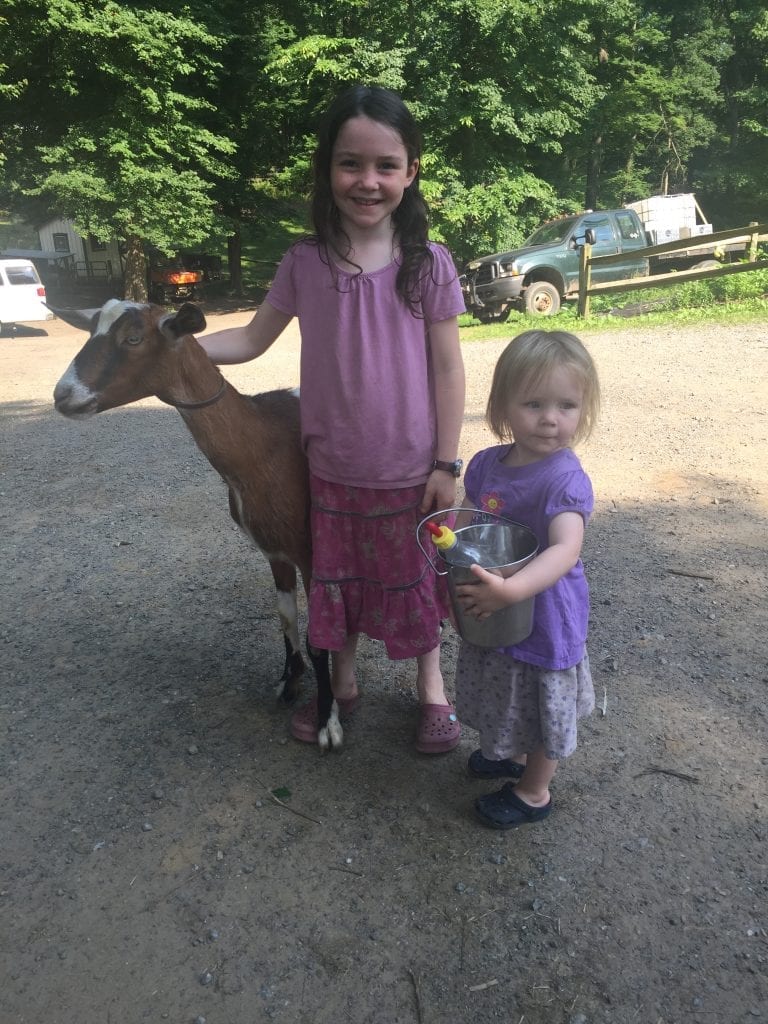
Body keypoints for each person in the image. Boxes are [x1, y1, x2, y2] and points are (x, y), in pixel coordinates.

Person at [197, 85, 466, 753]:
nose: (367, 181)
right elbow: (253, 339)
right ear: (327, 170)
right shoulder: (303, 262)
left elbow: (447, 370)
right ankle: (342, 684)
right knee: (335, 583)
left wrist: (446, 463)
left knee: (416, 585)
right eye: (350, 164)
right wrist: (170, 351)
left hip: (412, 469)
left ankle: (432, 688)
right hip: (331, 469)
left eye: (385, 165)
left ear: (411, 171)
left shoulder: (429, 264)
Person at [451, 329, 600, 828]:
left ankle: (534, 790)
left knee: (539, 698)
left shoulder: (564, 479)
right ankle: (508, 754)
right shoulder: (487, 463)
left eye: (566, 405)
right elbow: (468, 520)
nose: (550, 418)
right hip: (498, 607)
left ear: (583, 410)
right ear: (503, 406)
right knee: (506, 685)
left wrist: (510, 589)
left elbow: (565, 547)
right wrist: (454, 562)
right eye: (533, 403)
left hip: (545, 614)